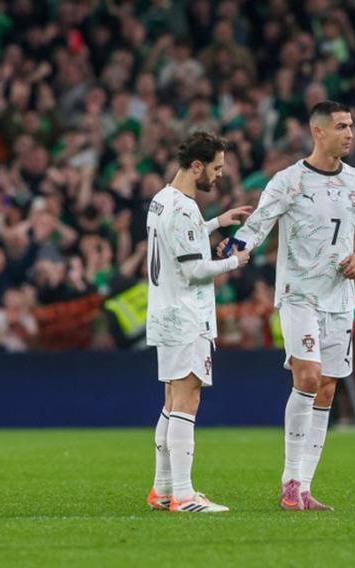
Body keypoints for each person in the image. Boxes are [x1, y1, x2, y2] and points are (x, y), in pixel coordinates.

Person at [227, 101, 355, 511]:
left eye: (351, 126)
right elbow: (259, 223)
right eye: (341, 127)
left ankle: (305, 487)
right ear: (318, 132)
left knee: (327, 387)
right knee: (309, 378)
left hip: (340, 298)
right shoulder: (289, 180)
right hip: (299, 294)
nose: (350, 133)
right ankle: (290, 481)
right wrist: (235, 247)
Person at [145, 131, 252, 513]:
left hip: (164, 312)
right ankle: (185, 495)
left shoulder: (162, 200)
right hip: (187, 316)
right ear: (196, 166)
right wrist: (233, 262)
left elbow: (180, 240)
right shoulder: (185, 207)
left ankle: (161, 489)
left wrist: (216, 222)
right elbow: (194, 270)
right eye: (216, 168)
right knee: (187, 400)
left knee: (173, 401)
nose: (219, 175)